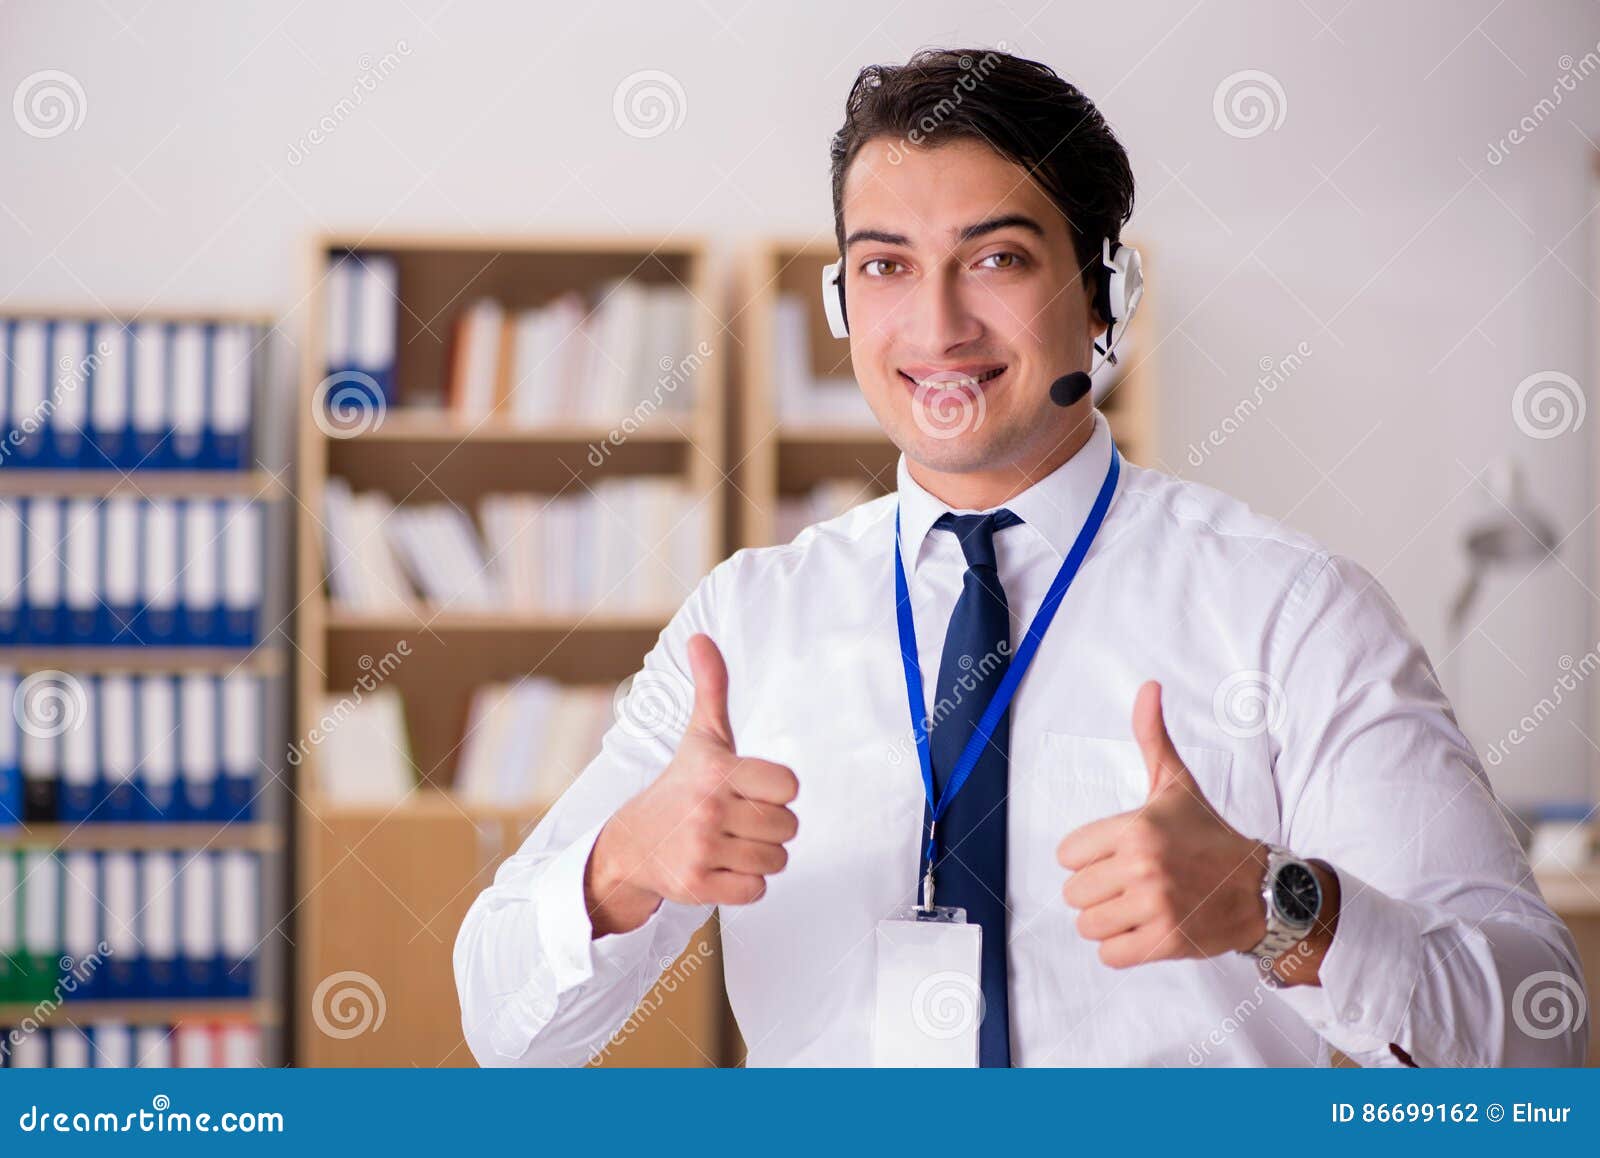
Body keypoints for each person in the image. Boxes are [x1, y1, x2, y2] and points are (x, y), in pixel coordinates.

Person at [453, 47, 1587, 1067]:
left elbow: (1538, 1041)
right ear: (841, 303)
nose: (937, 326)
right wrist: (619, 866)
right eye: (885, 267)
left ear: (1105, 292)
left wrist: (1275, 907)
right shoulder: (744, 624)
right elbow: (503, 1031)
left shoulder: (1291, 612)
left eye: (995, 258)